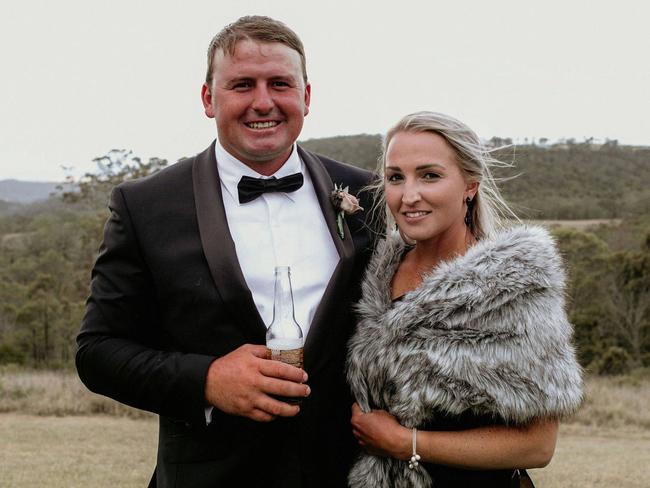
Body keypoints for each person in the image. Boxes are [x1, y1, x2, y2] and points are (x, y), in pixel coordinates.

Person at [76, 16, 376, 488]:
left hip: (347, 474)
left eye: (280, 83)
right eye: (241, 84)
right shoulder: (144, 205)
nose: (263, 101)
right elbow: (98, 352)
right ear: (208, 98)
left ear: (307, 97)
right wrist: (208, 380)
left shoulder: (368, 194)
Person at [346, 111, 583, 487]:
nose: (409, 196)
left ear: (470, 185)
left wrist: (405, 443)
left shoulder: (511, 287)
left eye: (430, 175)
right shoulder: (372, 272)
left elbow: (537, 446)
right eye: (395, 177)